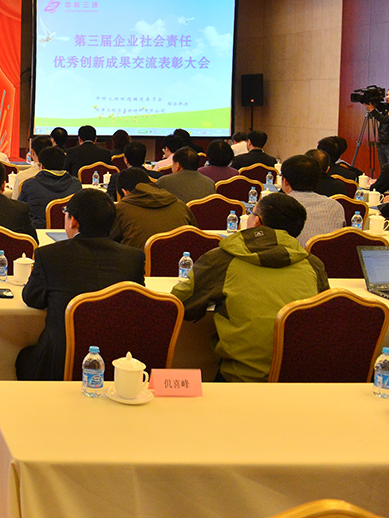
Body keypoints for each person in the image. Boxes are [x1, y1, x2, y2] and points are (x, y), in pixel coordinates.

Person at [172, 194, 328, 382]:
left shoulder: (223, 259)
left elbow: (180, 303)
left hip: (240, 379)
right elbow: (324, 317)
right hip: (301, 382)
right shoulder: (313, 265)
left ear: (257, 222)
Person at [15, 190, 145, 381]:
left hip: (60, 362)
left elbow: (32, 299)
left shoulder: (50, 255)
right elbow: (137, 304)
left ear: (73, 221)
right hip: (115, 361)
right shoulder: (133, 258)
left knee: (22, 357)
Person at [109, 168, 196, 250]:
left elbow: (108, 241)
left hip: (139, 260)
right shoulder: (180, 205)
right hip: (181, 259)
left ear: (125, 192)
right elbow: (195, 235)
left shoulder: (121, 210)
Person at [279, 154, 344, 245]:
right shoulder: (335, 206)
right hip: (326, 254)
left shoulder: (278, 205)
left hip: (292, 254)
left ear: (285, 181)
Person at [17, 146, 82, 230]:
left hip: (39, 232)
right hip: (69, 230)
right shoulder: (76, 184)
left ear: (41, 166)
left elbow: (19, 212)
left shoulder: (29, 184)